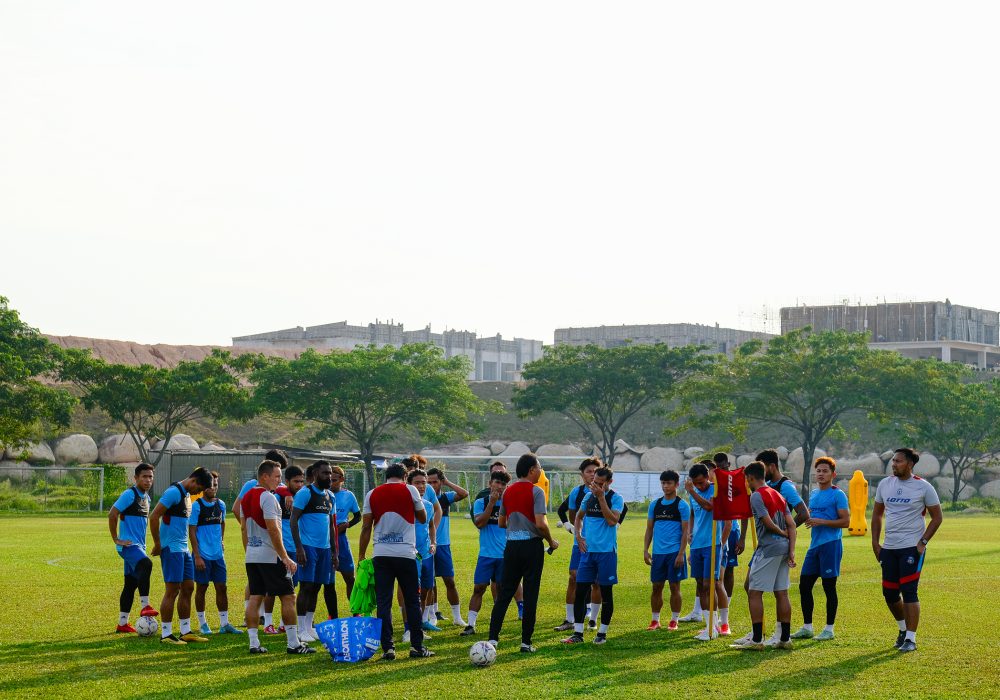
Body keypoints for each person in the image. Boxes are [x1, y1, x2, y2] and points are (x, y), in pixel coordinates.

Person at [358, 462, 434, 660]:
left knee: (383, 602)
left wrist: (361, 555)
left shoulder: (372, 493)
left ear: (386, 477)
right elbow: (423, 518)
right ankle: (417, 647)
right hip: (405, 554)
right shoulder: (410, 490)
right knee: (412, 601)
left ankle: (388, 649)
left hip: (381, 554)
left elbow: (366, 526)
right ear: (405, 476)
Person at [872, 448, 943, 653]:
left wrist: (923, 542)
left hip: (912, 548)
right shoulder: (885, 484)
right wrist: (875, 543)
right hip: (889, 548)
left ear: (910, 464)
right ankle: (903, 630)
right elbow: (877, 515)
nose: (894, 464)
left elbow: (937, 517)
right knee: (889, 593)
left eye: (898, 461)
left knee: (909, 591)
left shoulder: (924, 487)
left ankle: (911, 638)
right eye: (893, 461)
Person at [487, 453, 559, 653]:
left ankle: (493, 639)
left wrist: (517, 526)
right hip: (531, 547)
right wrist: (551, 541)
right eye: (539, 468)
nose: (540, 471)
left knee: (504, 593)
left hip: (511, 547)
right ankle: (526, 642)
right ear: (531, 470)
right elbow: (541, 524)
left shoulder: (508, 491)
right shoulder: (536, 491)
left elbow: (501, 523)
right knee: (530, 594)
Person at [241, 459, 314, 654]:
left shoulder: (246, 497)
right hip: (270, 556)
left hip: (253, 555)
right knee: (289, 597)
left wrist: (249, 551)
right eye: (277, 476)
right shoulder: (268, 497)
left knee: (255, 597)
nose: (280, 481)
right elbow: (273, 530)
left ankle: (254, 643)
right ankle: (293, 643)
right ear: (265, 477)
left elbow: (243, 529)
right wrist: (285, 557)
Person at [730, 461, 796, 651]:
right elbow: (792, 524)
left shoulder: (757, 496)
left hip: (769, 549)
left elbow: (767, 522)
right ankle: (785, 639)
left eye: (747, 480)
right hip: (784, 549)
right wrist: (791, 550)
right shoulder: (778, 494)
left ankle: (757, 640)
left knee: (754, 592)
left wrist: (781, 533)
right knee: (782, 593)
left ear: (751, 478)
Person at [149, 467, 214, 645]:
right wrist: (158, 544)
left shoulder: (186, 495)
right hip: (172, 549)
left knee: (188, 588)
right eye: (199, 489)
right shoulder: (173, 492)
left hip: (184, 549)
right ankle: (166, 634)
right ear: (194, 481)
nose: (198, 493)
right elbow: (154, 517)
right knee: (172, 590)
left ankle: (185, 631)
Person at [562, 466, 624, 645]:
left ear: (610, 482)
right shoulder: (588, 497)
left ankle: (602, 634)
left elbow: (612, 521)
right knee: (581, 591)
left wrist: (601, 498)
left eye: (600, 484)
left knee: (606, 593)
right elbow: (578, 517)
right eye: (594, 482)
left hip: (606, 553)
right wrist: (578, 536)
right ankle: (578, 633)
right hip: (588, 553)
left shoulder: (616, 498)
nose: (595, 486)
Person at [791, 457, 849, 641]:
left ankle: (829, 629)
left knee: (828, 587)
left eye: (825, 471)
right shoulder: (814, 494)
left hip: (831, 545)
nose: (821, 474)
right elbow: (807, 516)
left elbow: (846, 522)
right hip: (814, 546)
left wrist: (821, 521)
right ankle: (807, 627)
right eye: (818, 471)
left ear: (833, 474)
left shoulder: (838, 494)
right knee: (804, 585)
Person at [189, 471, 241, 635]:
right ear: (204, 487)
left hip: (218, 555)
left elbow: (222, 523)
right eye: (210, 486)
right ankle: (203, 624)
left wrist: (221, 541)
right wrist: (197, 555)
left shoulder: (221, 505)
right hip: (202, 555)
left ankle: (224, 624)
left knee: (222, 587)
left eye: (215, 485)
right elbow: (192, 530)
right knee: (202, 587)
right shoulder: (197, 506)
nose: (213, 488)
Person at [109, 463, 159, 633]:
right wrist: (116, 539)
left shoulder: (147, 498)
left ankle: (122, 624)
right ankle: (145, 606)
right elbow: (112, 514)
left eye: (150, 477)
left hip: (139, 546)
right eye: (144, 476)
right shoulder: (129, 494)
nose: (148, 480)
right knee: (146, 564)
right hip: (129, 546)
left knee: (130, 585)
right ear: (136, 478)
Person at [554, 458, 603, 632]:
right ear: (582, 475)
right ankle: (569, 619)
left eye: (595, 471)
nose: (592, 474)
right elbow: (573, 515)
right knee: (573, 577)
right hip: (580, 543)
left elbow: (620, 511)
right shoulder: (577, 492)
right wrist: (573, 529)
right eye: (589, 471)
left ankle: (593, 619)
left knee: (596, 582)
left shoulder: (607, 493)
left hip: (599, 545)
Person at [291, 460, 337, 643]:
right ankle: (301, 629)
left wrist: (334, 552)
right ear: (316, 473)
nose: (329, 476)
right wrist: (299, 547)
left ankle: (309, 627)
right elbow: (293, 521)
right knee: (306, 587)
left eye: (330, 473)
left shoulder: (330, 496)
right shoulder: (305, 493)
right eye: (325, 473)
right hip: (308, 547)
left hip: (325, 549)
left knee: (317, 587)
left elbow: (331, 526)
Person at [685, 463, 732, 640]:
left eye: (701, 482)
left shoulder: (715, 490)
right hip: (696, 545)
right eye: (695, 483)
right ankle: (710, 626)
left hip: (712, 544)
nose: (699, 486)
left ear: (708, 477)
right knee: (700, 585)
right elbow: (693, 512)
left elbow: (709, 507)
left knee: (711, 584)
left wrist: (692, 491)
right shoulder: (693, 493)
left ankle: (721, 624)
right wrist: (690, 532)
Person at [462, 470, 510, 636]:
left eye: (503, 484)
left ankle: (496, 624)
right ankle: (470, 625)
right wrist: (492, 503)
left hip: (504, 555)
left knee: (501, 591)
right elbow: (480, 523)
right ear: (490, 484)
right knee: (479, 588)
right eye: (497, 482)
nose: (500, 486)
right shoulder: (480, 502)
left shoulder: (509, 503)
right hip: (486, 555)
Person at [643, 470, 691, 631]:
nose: (665, 486)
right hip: (658, 554)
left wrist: (681, 553)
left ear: (676, 484)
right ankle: (655, 620)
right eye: (663, 483)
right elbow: (649, 529)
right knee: (656, 586)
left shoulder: (682, 505)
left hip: (674, 553)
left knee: (674, 587)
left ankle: (674, 620)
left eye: (669, 483)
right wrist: (645, 550)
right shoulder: (654, 505)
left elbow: (685, 531)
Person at [263, 465, 305, 634]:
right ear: (287, 481)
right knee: (272, 588)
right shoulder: (277, 497)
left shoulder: (302, 497)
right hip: (280, 550)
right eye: (296, 481)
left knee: (291, 587)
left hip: (296, 549)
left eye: (301, 481)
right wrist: (285, 493)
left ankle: (283, 623)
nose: (299, 485)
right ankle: (267, 623)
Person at [426, 467, 469, 627]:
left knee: (449, 581)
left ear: (441, 482)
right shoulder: (423, 499)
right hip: (426, 544)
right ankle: (432, 615)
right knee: (429, 583)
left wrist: (447, 482)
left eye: (435, 482)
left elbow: (464, 494)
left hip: (443, 545)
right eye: (429, 482)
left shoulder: (445, 498)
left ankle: (457, 617)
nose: (432, 485)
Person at [405, 468, 439, 642]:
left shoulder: (428, 505)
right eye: (417, 483)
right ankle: (408, 629)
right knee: (411, 593)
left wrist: (433, 543)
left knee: (426, 589)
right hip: (410, 554)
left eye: (423, 483)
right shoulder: (404, 504)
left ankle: (420, 624)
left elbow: (431, 525)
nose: (421, 486)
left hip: (426, 554)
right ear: (409, 484)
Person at [713, 453, 744, 599]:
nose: (721, 470)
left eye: (723, 466)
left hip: (731, 530)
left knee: (729, 569)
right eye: (718, 467)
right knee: (714, 569)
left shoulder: (736, 482)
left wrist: (741, 538)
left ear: (729, 464)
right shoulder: (713, 482)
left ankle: (727, 604)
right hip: (715, 529)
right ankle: (708, 605)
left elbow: (744, 510)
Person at [330, 465, 362, 601]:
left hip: (341, 539)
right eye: (329, 480)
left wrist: (347, 525)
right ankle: (332, 612)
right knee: (327, 583)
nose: (331, 483)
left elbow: (358, 516)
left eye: (334, 480)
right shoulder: (323, 494)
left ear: (342, 479)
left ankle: (355, 610)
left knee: (350, 578)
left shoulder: (348, 495)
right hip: (324, 540)